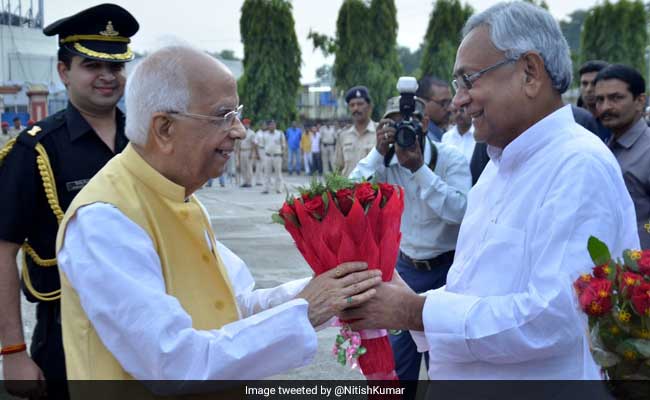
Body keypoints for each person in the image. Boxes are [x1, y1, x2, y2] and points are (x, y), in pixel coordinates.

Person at [54, 46, 381, 391]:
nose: (239, 131)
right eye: (223, 116)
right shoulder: (106, 221)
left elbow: (233, 305)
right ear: (164, 128)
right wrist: (305, 311)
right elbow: (174, 364)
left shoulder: (180, 196)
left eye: (236, 114)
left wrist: (330, 288)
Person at [341, 1, 639, 380]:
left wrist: (414, 311)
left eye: (469, 80)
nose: (459, 101)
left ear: (530, 72)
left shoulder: (578, 166)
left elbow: (554, 319)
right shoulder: (497, 170)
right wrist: (402, 296)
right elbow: (473, 291)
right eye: (456, 85)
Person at [0, 5, 138, 399]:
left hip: (149, 328)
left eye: (115, 66)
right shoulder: (36, 151)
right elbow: (2, 251)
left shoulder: (146, 141)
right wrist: (12, 352)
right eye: (91, 65)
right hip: (66, 337)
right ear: (64, 73)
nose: (107, 77)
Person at [350, 95, 470, 381]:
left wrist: (419, 170)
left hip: (448, 272)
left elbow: (461, 211)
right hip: (404, 272)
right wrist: (377, 153)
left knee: (445, 363)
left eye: (411, 122)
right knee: (399, 366)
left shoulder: (450, 158)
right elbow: (349, 198)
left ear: (425, 123)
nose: (403, 129)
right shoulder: (385, 163)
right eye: (393, 124)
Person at [594, 64, 650, 248]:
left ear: (640, 101)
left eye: (616, 98)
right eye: (599, 100)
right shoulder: (603, 148)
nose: (605, 107)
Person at [334, 86, 377, 177]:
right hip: (348, 189)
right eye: (352, 105)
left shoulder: (379, 132)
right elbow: (338, 168)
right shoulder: (343, 135)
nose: (356, 108)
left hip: (373, 189)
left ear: (369, 107)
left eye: (360, 104)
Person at [577, 60, 611, 142]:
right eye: (584, 84)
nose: (588, 89)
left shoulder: (614, 122)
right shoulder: (572, 118)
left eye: (594, 83)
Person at [416, 76, 453, 142]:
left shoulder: (447, 135)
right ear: (422, 102)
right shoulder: (420, 139)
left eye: (450, 102)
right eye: (443, 103)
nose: (450, 109)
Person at [260, 120, 285, 194]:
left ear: (276, 125)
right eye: (271, 125)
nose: (272, 126)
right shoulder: (265, 134)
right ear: (268, 126)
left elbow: (283, 145)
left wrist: (282, 154)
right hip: (268, 156)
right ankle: (266, 188)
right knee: (267, 173)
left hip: (277, 156)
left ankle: (279, 188)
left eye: (274, 125)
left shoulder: (280, 133)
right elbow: (263, 145)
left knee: (278, 173)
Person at [236, 117, 255, 187]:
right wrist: (238, 152)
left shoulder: (252, 133)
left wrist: (251, 153)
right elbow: (238, 143)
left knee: (249, 167)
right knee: (243, 167)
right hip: (242, 151)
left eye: (247, 124)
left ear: (249, 125)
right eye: (244, 124)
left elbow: (253, 144)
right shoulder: (241, 132)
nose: (246, 125)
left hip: (248, 151)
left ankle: (249, 182)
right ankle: (244, 181)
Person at [252, 121, 267, 186]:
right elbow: (255, 144)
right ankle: (258, 180)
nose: (264, 126)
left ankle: (264, 180)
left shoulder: (267, 133)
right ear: (261, 126)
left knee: (265, 166)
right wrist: (257, 153)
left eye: (265, 125)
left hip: (266, 150)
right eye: (263, 125)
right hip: (260, 150)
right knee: (259, 166)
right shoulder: (258, 133)